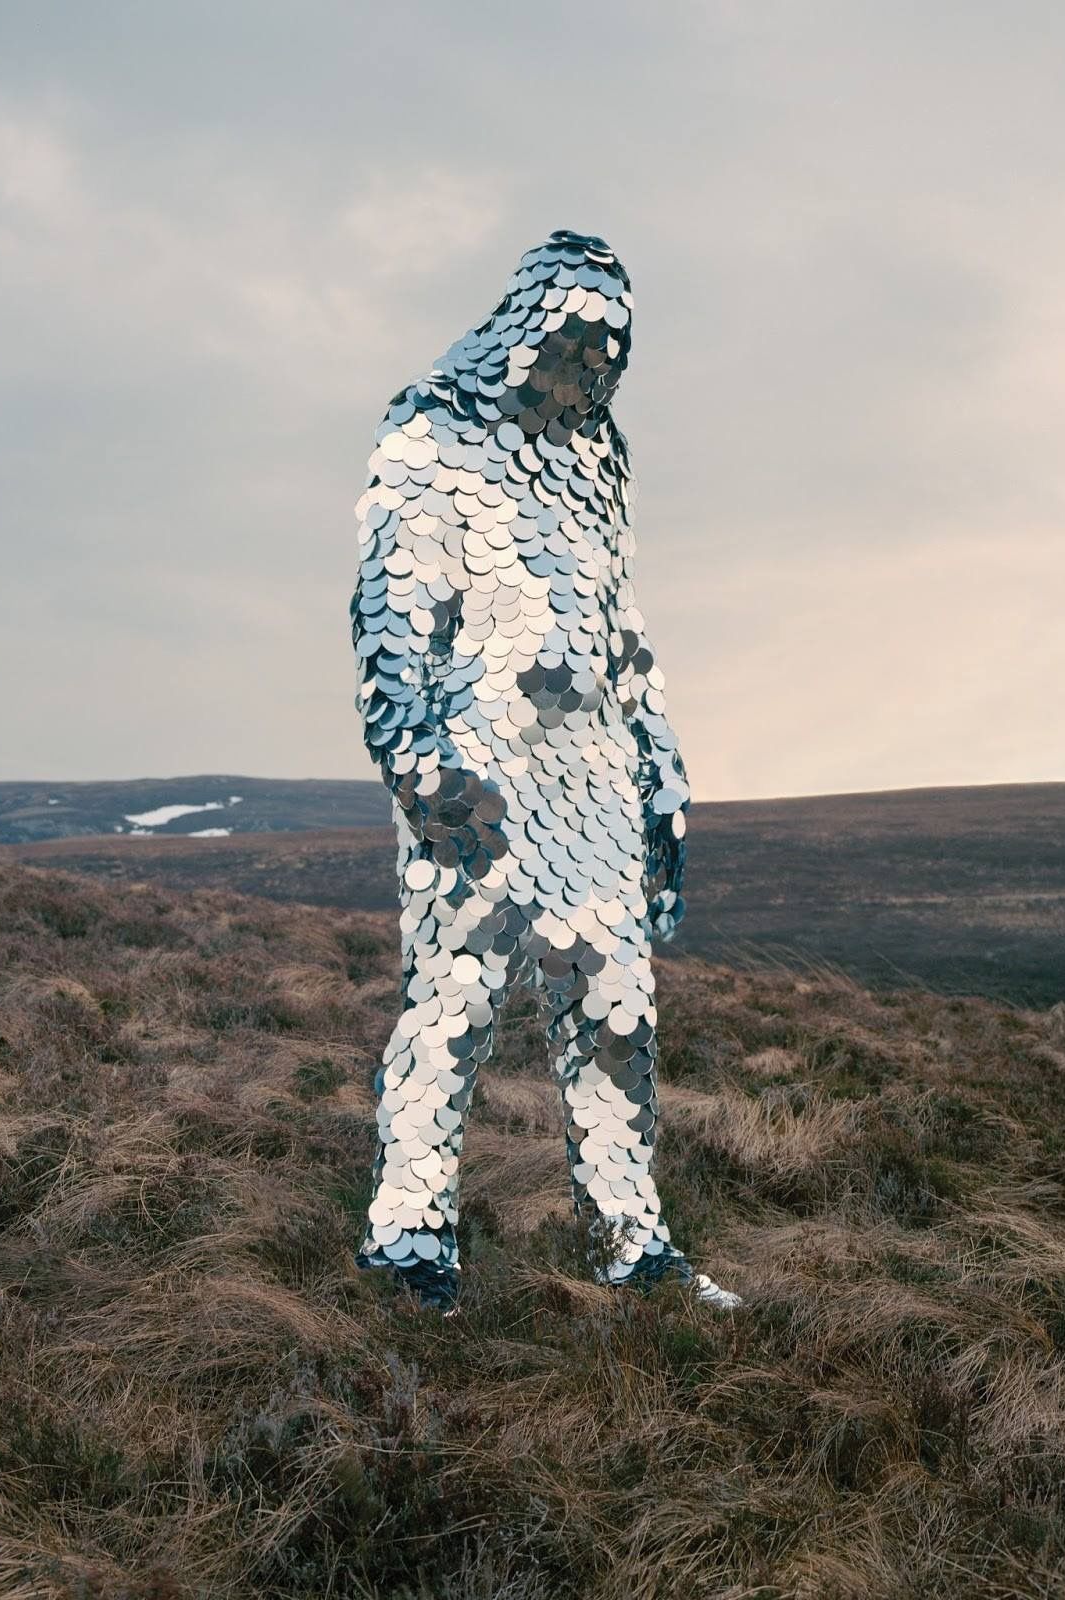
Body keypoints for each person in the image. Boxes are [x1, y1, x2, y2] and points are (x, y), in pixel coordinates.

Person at [350, 229, 739, 1314]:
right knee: (453, 1000)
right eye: (572, 342)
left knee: (615, 1012)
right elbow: (393, 613)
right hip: (477, 761)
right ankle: (409, 1234)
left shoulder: (598, 452)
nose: (588, 367)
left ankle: (631, 1237)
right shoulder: (432, 429)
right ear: (528, 326)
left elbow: (620, 626)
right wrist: (417, 759)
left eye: (606, 351)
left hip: (593, 776)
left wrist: (658, 772)